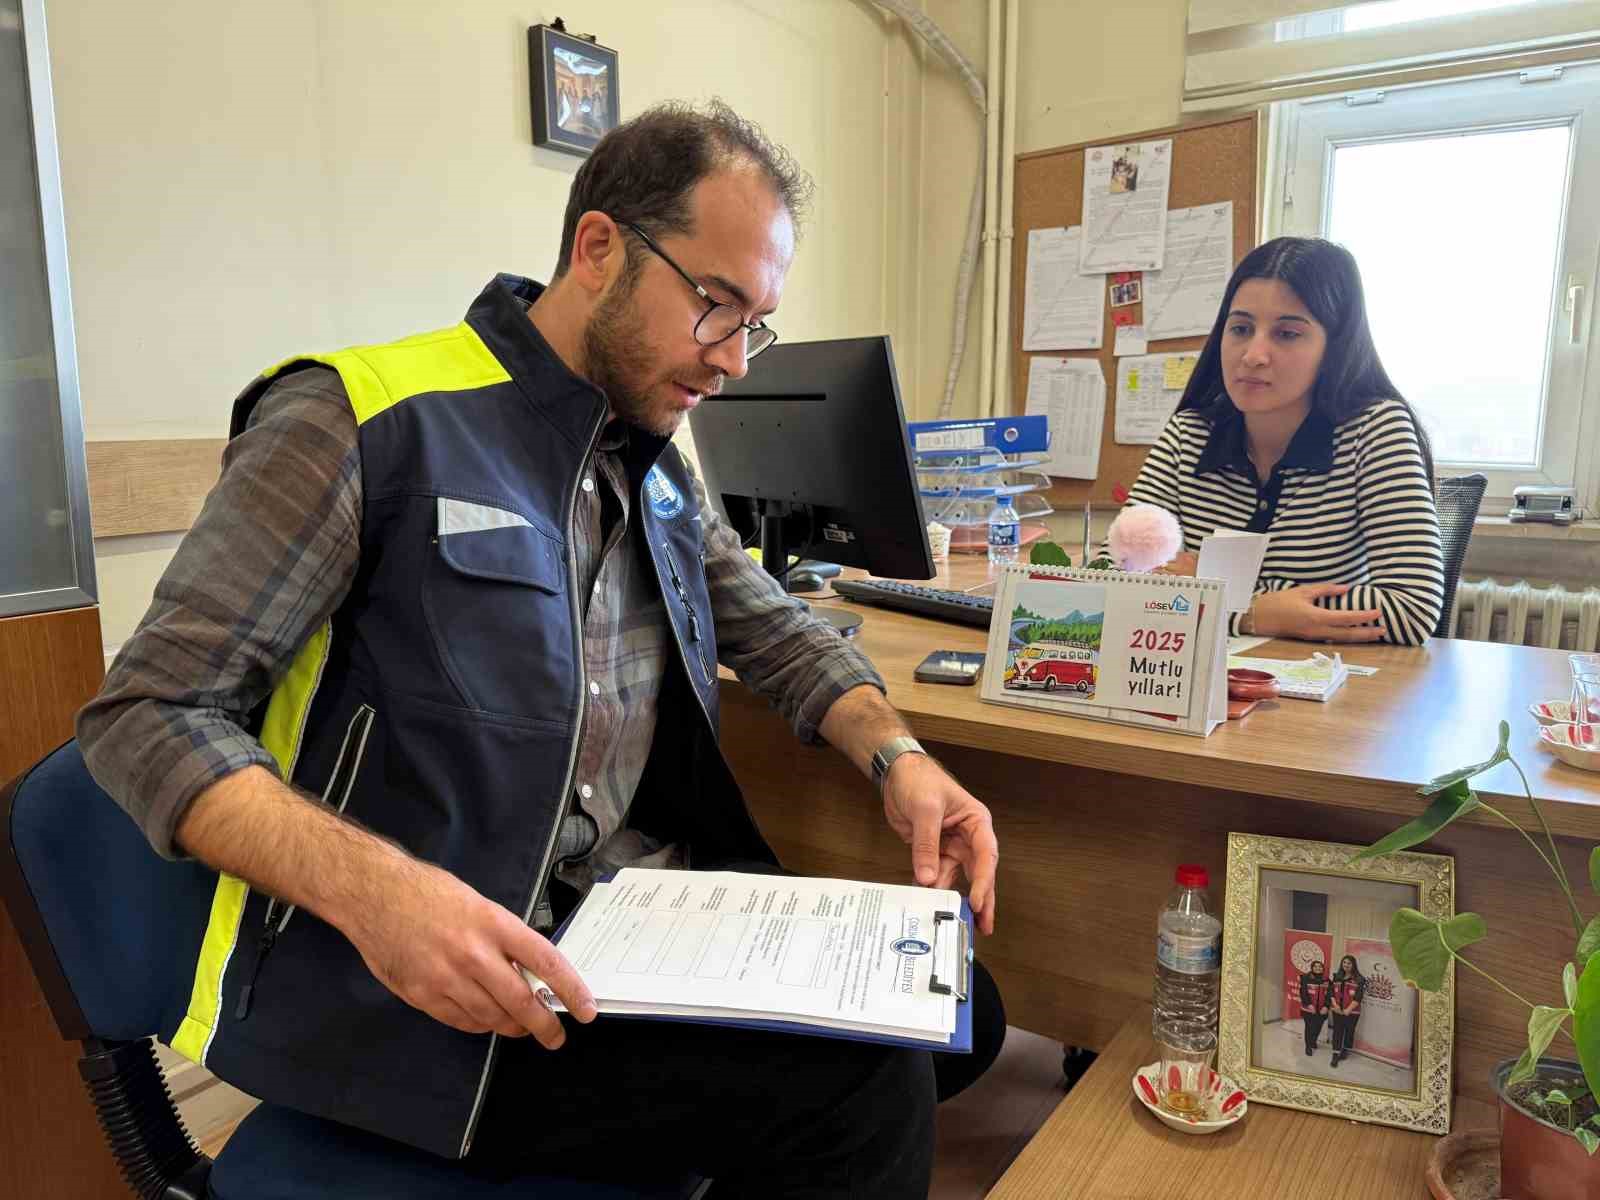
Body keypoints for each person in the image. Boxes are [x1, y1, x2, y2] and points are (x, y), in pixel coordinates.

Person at [76, 99, 1002, 1199]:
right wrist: (383, 895)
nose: (734, 362)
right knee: (863, 1093)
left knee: (959, 1013)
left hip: (619, 938)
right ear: (599, 249)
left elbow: (778, 628)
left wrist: (897, 756)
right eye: (716, 307)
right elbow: (147, 716)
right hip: (437, 994)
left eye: (758, 324)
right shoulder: (362, 420)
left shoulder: (648, 464)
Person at [1125, 237, 1446, 646]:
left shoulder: (1374, 429)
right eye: (1240, 328)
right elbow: (1118, 575)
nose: (1254, 354)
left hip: (1328, 690)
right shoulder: (1189, 433)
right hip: (1205, 682)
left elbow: (1412, 609)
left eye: (1288, 333)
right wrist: (1257, 610)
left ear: (1334, 348)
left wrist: (1230, 600)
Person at [1329, 954, 1367, 1068]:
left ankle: (1345, 1050)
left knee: (1349, 1032)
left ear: (1353, 965)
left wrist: (1348, 1010)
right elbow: (1331, 992)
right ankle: (1335, 1054)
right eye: (1344, 963)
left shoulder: (1360, 979)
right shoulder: (1337, 976)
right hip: (1337, 1010)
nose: (1346, 965)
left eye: (1349, 963)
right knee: (1337, 1032)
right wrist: (1335, 1005)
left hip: (1352, 1012)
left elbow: (1358, 997)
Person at [1298, 958, 1330, 1058]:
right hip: (1309, 1009)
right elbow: (1303, 993)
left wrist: (1326, 1006)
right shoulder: (1305, 978)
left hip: (1322, 1010)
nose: (1318, 968)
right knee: (1309, 1027)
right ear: (1312, 968)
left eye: (1320, 966)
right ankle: (1308, 1046)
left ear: (1322, 969)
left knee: (1318, 1027)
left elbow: (1330, 994)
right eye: (1315, 966)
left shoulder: (1327, 980)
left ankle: (1313, 1041)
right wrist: (1309, 1005)